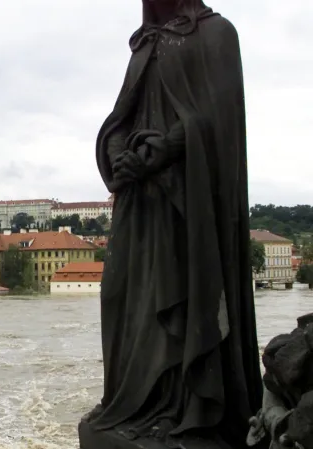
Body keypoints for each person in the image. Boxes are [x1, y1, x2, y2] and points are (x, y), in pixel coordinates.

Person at [83, 1, 264, 446]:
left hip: (188, 205)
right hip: (139, 203)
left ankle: (188, 404)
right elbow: (122, 117)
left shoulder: (217, 34)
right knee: (119, 294)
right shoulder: (144, 45)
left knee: (181, 296)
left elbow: (219, 119)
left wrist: (163, 149)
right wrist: (117, 153)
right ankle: (134, 399)